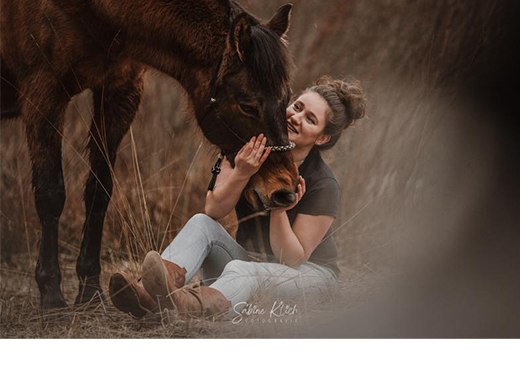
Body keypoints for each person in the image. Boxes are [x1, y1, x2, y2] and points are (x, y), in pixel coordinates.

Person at [109, 76, 366, 320]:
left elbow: (292, 260)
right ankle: (149, 295)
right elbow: (214, 210)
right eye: (296, 106)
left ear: (322, 137)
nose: (296, 117)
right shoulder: (248, 149)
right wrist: (243, 172)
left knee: (244, 272)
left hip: (309, 277)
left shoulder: (322, 182)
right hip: (248, 265)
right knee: (201, 223)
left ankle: (188, 307)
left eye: (310, 119)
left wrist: (279, 211)